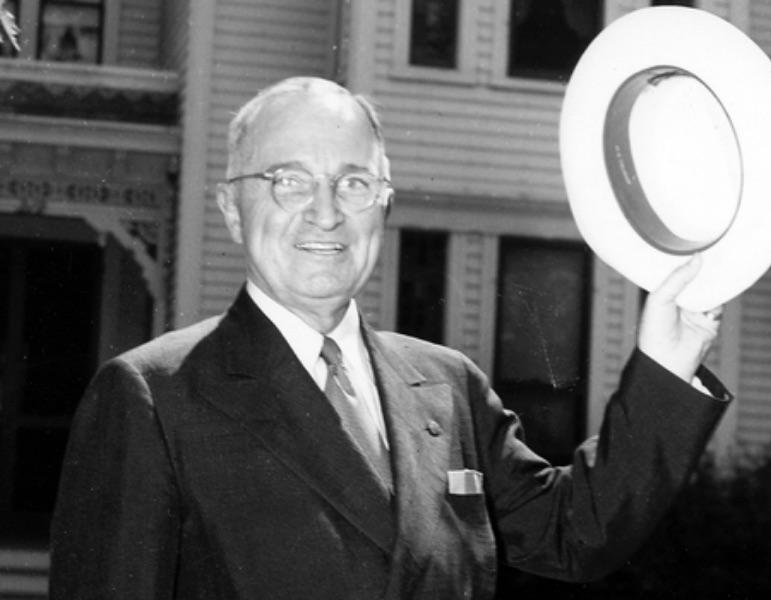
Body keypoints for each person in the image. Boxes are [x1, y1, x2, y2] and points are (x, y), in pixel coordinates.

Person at [49, 76, 729, 599]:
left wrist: (664, 369)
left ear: (383, 205)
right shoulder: (153, 397)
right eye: (288, 181)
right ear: (231, 207)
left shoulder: (446, 386)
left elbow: (575, 534)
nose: (325, 212)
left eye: (353, 183)